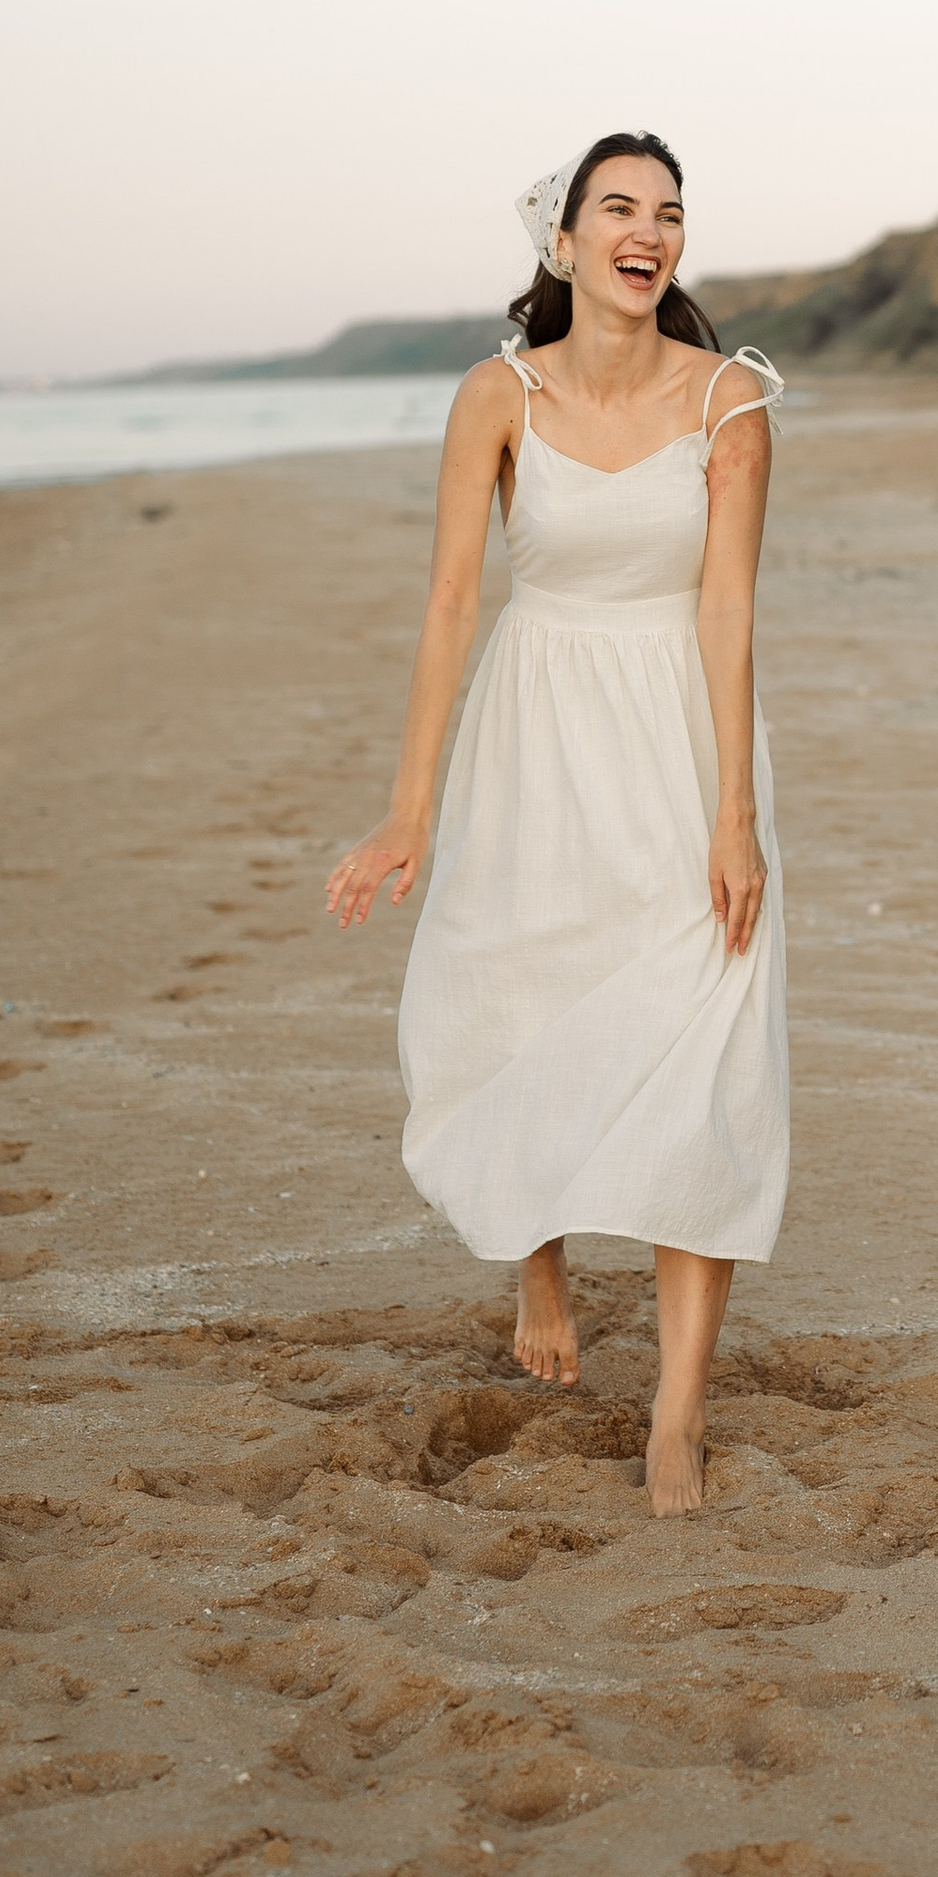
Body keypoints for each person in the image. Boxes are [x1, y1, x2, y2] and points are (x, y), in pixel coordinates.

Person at [328, 131, 788, 1516]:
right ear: (566, 242)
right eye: (620, 210)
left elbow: (726, 609)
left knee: (703, 1041)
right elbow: (453, 605)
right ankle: (539, 1258)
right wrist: (408, 812)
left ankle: (678, 1414)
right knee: (515, 1000)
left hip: (677, 734)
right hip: (536, 729)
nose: (648, 233)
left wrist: (736, 816)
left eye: (670, 215)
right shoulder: (496, 396)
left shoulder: (733, 403)